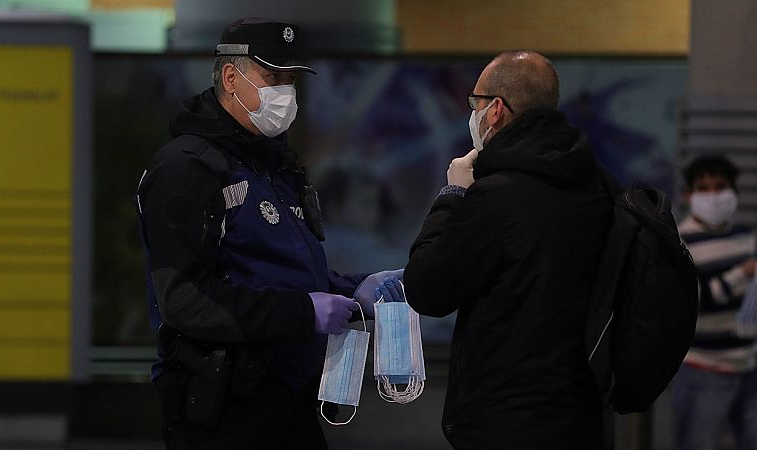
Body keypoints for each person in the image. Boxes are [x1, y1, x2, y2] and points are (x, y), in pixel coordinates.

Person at [135, 17, 401, 449]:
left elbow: (273, 273)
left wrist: (353, 290)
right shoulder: (187, 168)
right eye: (272, 76)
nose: (286, 92)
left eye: (291, 79)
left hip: (285, 395)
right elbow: (183, 300)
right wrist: (303, 313)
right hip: (222, 404)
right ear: (230, 77)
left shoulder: (272, 163)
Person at [403, 51, 612, 449]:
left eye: (475, 103)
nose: (473, 114)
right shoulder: (596, 184)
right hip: (581, 412)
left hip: (504, 419)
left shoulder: (496, 197)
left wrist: (453, 194)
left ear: (495, 110)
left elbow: (425, 287)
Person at [672, 155, 757, 450]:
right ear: (688, 195)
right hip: (702, 368)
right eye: (703, 188)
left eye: (720, 187)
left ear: (733, 191)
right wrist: (740, 274)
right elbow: (693, 302)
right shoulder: (678, 241)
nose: (713, 196)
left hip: (747, 364)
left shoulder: (745, 237)